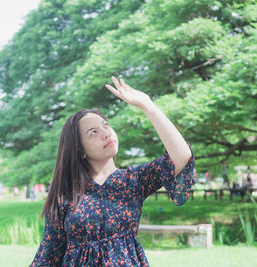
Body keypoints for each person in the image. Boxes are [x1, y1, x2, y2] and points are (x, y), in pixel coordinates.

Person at [30, 77, 195, 266]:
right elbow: (49, 255)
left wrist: (148, 106)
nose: (106, 133)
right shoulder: (66, 195)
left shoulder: (133, 180)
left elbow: (181, 156)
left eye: (106, 126)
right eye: (93, 132)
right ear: (80, 150)